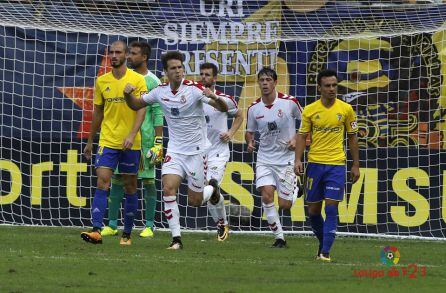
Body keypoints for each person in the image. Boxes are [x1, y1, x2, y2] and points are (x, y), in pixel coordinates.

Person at [123, 51, 228, 249]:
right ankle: (176, 239)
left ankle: (212, 190)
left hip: (197, 152)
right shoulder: (160, 91)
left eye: (180, 67)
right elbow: (136, 104)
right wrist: (127, 95)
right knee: (168, 188)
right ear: (166, 72)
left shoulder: (194, 90)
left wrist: (214, 96)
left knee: (195, 201)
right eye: (173, 68)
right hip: (175, 150)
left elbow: (222, 108)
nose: (178, 71)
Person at [81, 40, 148, 245]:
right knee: (102, 180)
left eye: (118, 52)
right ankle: (96, 231)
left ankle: (126, 233)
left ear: (127, 55)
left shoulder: (137, 80)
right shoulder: (102, 81)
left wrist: (131, 134)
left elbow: (142, 109)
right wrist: (90, 140)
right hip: (108, 139)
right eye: (111, 52)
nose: (113, 56)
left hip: (131, 141)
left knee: (130, 186)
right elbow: (98, 112)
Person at [294, 69, 360, 262]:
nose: (332, 89)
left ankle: (325, 252)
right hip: (314, 164)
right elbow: (301, 136)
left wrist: (355, 165)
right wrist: (298, 160)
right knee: (313, 211)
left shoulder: (346, 109)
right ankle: (323, 245)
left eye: (334, 85)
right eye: (328, 86)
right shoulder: (310, 110)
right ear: (319, 88)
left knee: (331, 209)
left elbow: (353, 137)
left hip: (336, 165)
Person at [101, 41, 163, 239]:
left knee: (149, 181)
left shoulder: (152, 81)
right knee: (118, 179)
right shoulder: (125, 78)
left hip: (144, 141)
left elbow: (157, 111)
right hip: (123, 140)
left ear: (144, 57)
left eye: (133, 54)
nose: (129, 57)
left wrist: (158, 142)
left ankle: (149, 225)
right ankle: (111, 224)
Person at [245, 67, 302, 248]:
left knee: (284, 204)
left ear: (275, 82)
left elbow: (307, 124)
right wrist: (250, 142)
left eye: (268, 80)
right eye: (262, 80)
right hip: (264, 159)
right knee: (266, 196)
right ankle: (279, 238)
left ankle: (296, 190)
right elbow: (249, 132)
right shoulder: (254, 108)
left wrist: (295, 139)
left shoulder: (290, 102)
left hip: (286, 158)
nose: (265, 83)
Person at [199, 62, 244, 241]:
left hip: (218, 152)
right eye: (201, 74)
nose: (204, 77)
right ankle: (222, 223)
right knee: (211, 192)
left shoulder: (225, 99)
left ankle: (219, 221)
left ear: (215, 78)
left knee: (211, 185)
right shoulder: (195, 99)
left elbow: (240, 115)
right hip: (200, 153)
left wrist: (231, 133)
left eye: (207, 74)